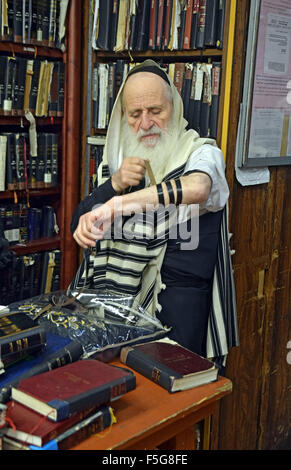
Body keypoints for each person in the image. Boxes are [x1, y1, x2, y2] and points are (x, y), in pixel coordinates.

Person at [70, 60, 238, 360]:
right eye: (135, 115)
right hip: (113, 314)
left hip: (176, 315)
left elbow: (199, 188)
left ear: (174, 108)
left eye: (155, 111)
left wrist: (117, 204)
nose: (145, 123)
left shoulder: (202, 153)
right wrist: (114, 185)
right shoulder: (118, 162)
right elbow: (81, 223)